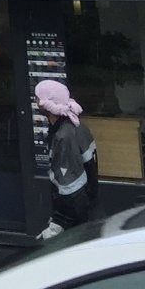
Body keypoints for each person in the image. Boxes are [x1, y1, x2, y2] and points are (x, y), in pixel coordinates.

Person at [35, 79, 99, 240]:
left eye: (38, 97)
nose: (36, 101)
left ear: (47, 105)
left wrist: (59, 222)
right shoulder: (76, 126)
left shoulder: (63, 136)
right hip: (86, 210)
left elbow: (69, 187)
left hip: (75, 219)